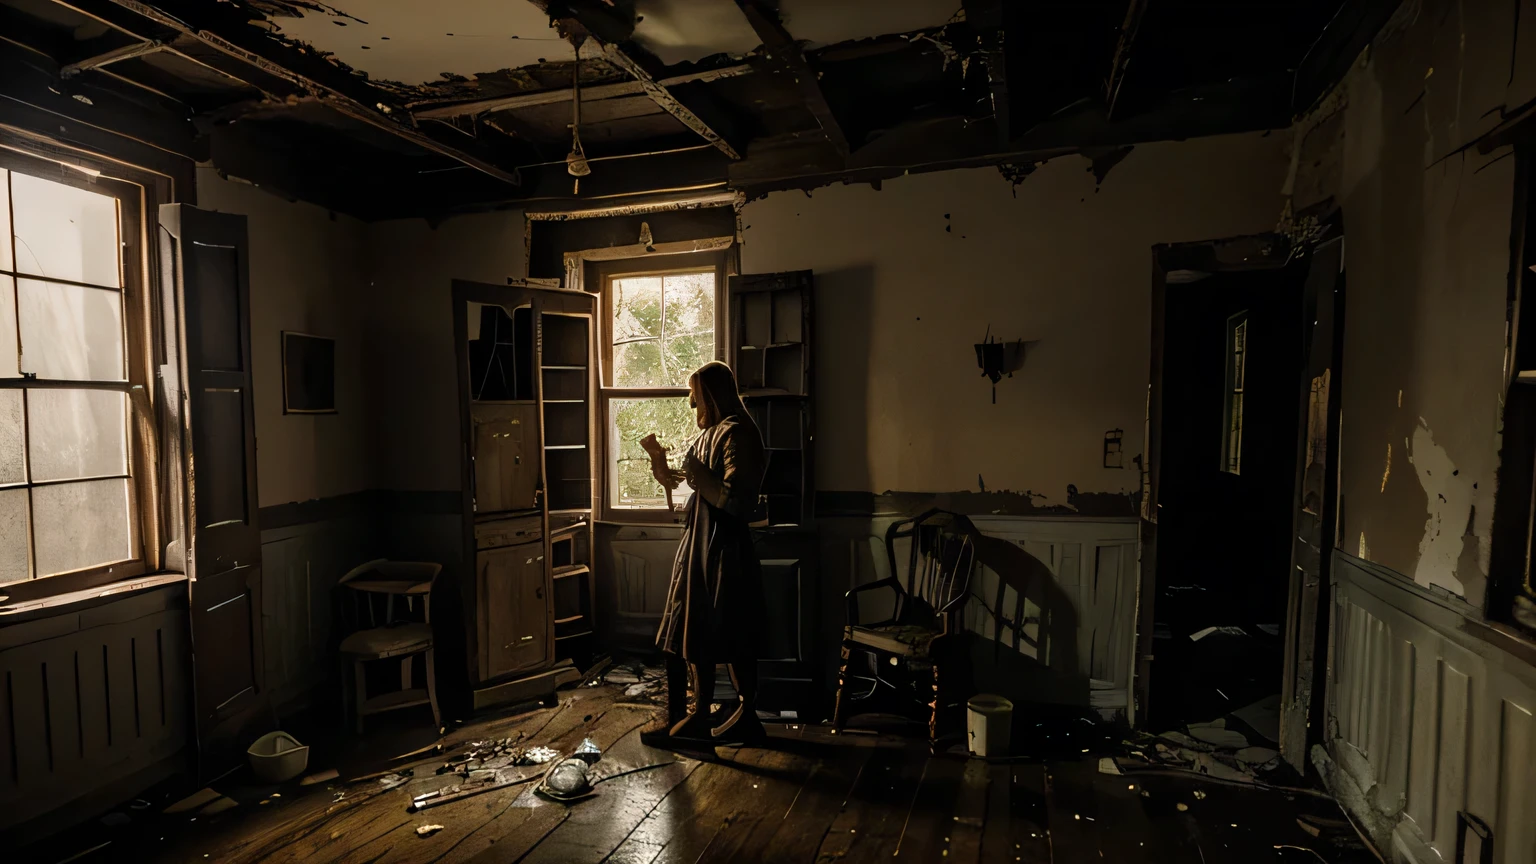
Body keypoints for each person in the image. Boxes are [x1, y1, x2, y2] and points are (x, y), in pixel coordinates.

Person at [644, 361, 767, 746]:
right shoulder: (713, 433)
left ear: (714, 397)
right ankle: (695, 713)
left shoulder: (739, 434)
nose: (694, 410)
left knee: (730, 630)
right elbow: (694, 487)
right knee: (694, 628)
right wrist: (666, 471)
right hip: (700, 544)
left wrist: (700, 477)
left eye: (698, 401)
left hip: (723, 548)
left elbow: (737, 500)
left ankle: (741, 714)